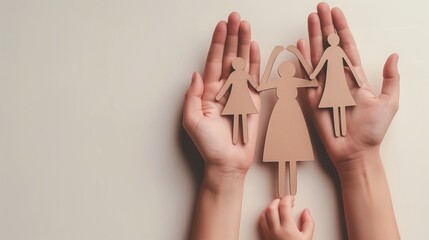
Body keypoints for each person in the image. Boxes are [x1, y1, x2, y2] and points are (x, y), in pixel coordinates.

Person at [183, 2, 400, 239]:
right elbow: (270, 83)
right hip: (283, 113)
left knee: (291, 150)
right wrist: (361, 161)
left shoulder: (323, 60)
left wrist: (360, 159)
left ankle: (288, 182)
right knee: (284, 149)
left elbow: (309, 79)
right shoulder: (267, 77)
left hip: (290, 112)